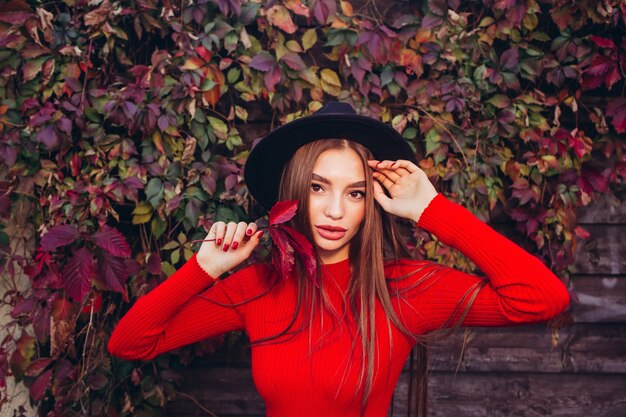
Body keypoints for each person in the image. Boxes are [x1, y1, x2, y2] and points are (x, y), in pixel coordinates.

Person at [108, 102, 570, 417]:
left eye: (356, 193)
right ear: (293, 193)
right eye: (318, 188)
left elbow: (542, 298)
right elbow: (129, 345)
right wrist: (205, 267)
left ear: (374, 202)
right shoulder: (257, 287)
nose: (335, 211)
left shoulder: (406, 289)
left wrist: (433, 211)